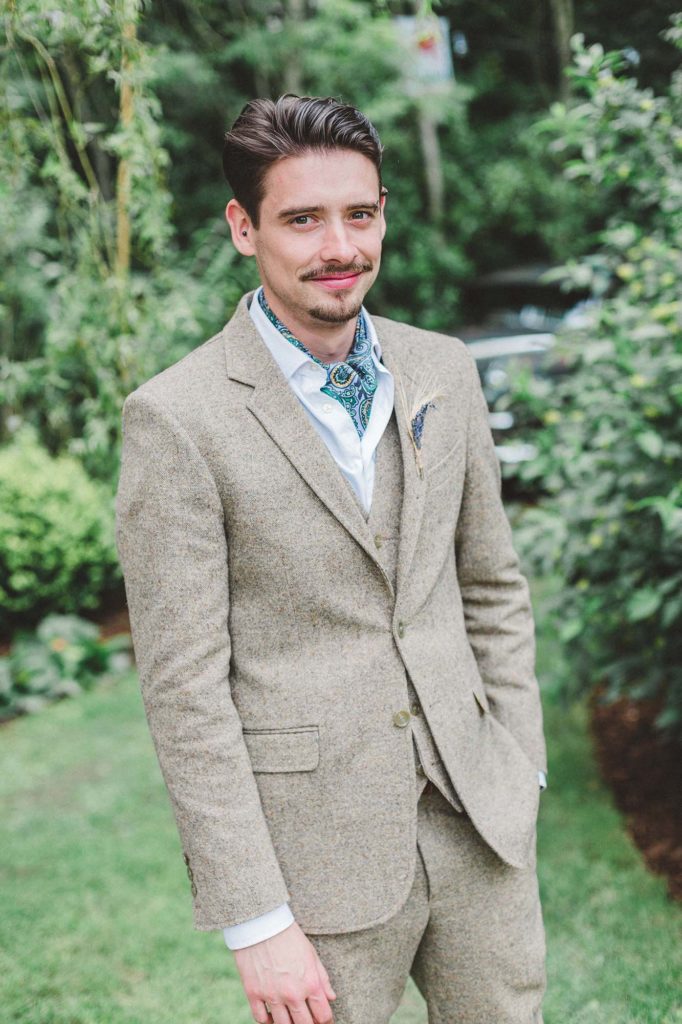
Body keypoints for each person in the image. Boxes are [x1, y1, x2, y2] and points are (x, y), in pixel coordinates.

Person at [115, 94, 548, 1024]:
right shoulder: (177, 418)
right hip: (314, 861)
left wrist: (522, 762)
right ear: (244, 227)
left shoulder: (444, 371)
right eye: (302, 219)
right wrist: (254, 917)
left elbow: (492, 585)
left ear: (384, 210)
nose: (339, 246)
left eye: (360, 213)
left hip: (483, 822)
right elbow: (185, 688)